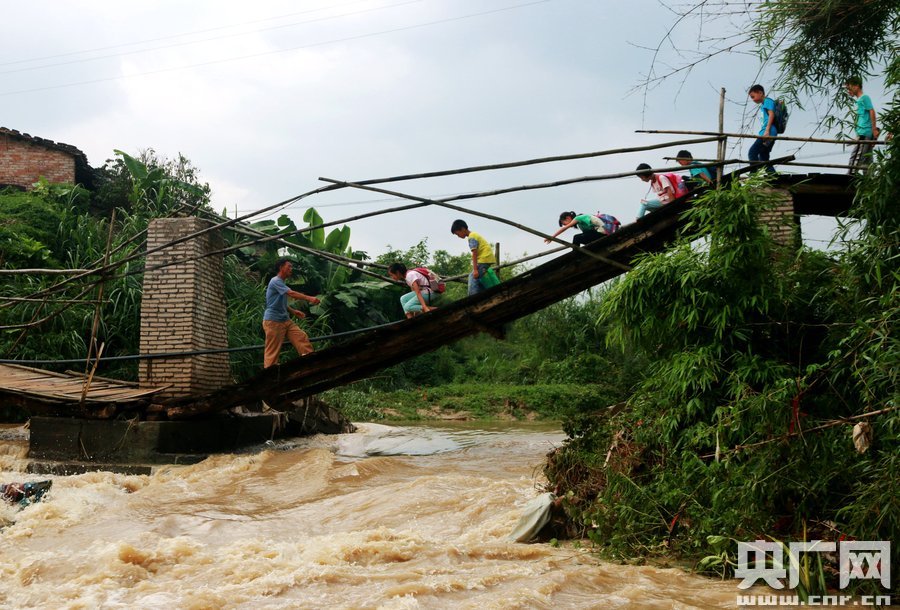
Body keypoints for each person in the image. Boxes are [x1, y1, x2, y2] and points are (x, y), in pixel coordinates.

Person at [262, 258, 320, 368]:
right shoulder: (275, 281)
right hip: (273, 321)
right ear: (281, 267)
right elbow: (291, 293)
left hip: (285, 320)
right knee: (272, 353)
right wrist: (309, 298)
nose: (291, 269)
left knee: (301, 337)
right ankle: (269, 378)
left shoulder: (281, 283)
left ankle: (311, 364)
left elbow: (277, 302)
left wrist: (293, 311)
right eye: (289, 266)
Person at [450, 219, 497, 296]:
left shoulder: (471, 237)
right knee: (478, 279)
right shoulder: (474, 234)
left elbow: (474, 253)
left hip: (484, 259)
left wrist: (475, 269)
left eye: (458, 234)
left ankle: (472, 299)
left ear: (462, 229)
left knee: (473, 277)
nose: (458, 236)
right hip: (487, 258)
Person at [845, 76, 881, 173]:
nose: (848, 91)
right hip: (863, 134)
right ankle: (868, 181)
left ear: (856, 86)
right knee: (867, 160)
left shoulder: (864, 98)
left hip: (864, 134)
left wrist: (874, 129)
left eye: (849, 88)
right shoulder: (859, 100)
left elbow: (872, 111)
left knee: (855, 158)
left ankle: (850, 178)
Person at [544, 211, 619, 246]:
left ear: (568, 218)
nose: (565, 226)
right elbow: (588, 234)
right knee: (582, 236)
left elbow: (564, 228)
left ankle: (575, 255)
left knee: (576, 237)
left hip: (604, 233)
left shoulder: (578, 218)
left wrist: (552, 237)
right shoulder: (581, 225)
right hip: (601, 234)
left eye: (564, 223)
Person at [748, 84, 777, 172]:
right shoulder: (764, 104)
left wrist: (767, 131)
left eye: (753, 96)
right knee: (763, 156)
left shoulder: (767, 101)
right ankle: (773, 176)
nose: (753, 100)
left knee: (752, 152)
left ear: (760, 93)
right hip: (770, 132)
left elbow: (772, 114)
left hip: (768, 132)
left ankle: (753, 175)